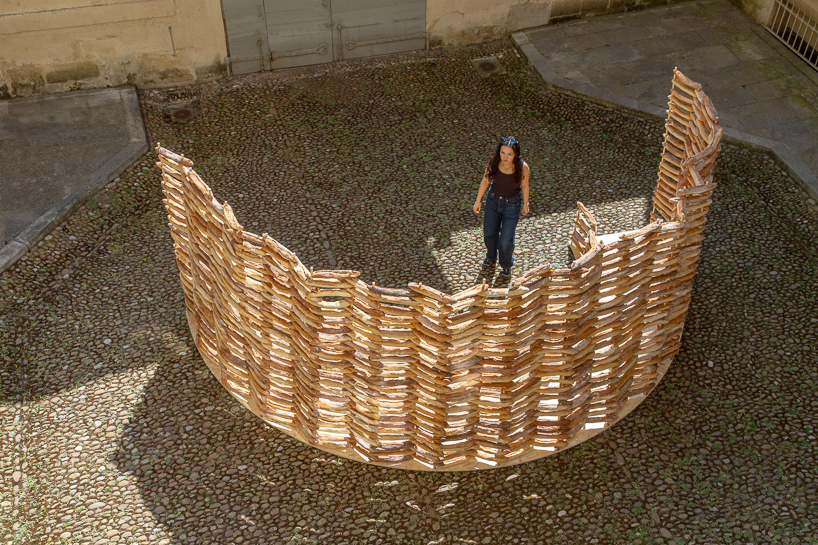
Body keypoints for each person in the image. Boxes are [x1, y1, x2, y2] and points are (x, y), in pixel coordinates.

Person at [472, 136, 530, 279]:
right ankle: (491, 256)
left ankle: (506, 265)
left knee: (505, 240)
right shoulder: (493, 163)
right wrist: (478, 201)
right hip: (493, 202)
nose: (505, 157)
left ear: (515, 154)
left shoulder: (523, 167)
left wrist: (526, 204)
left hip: (512, 205)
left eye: (509, 154)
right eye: (503, 152)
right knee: (489, 234)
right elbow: (485, 181)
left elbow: (525, 185)